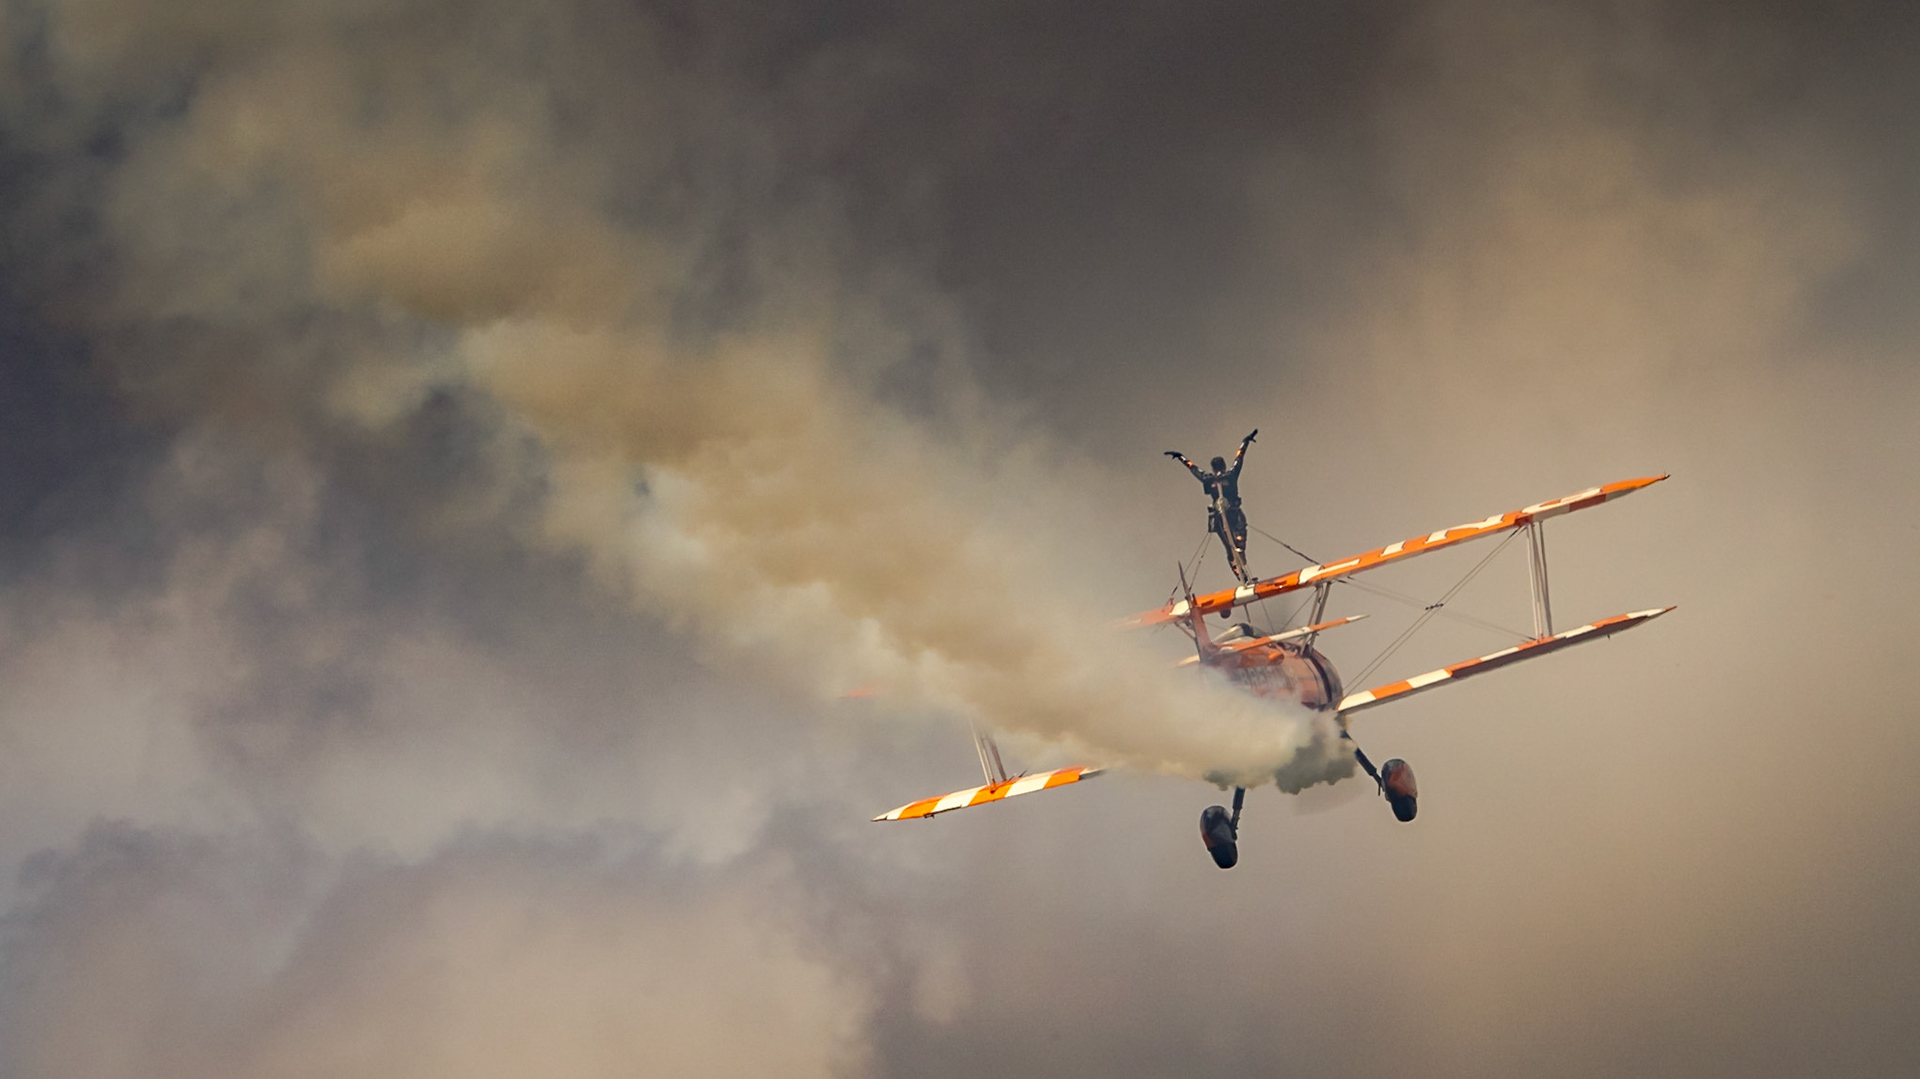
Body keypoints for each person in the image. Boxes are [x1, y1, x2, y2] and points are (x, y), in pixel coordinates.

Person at [1165, 430, 1258, 583]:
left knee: (1231, 547)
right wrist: (1245, 442)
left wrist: (1181, 457)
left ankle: (1241, 567)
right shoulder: (1230, 474)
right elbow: (1239, 458)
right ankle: (1242, 568)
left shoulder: (1209, 478)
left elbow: (1193, 468)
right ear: (1222, 465)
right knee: (1236, 542)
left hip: (1222, 517)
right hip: (1229, 515)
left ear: (1214, 468)